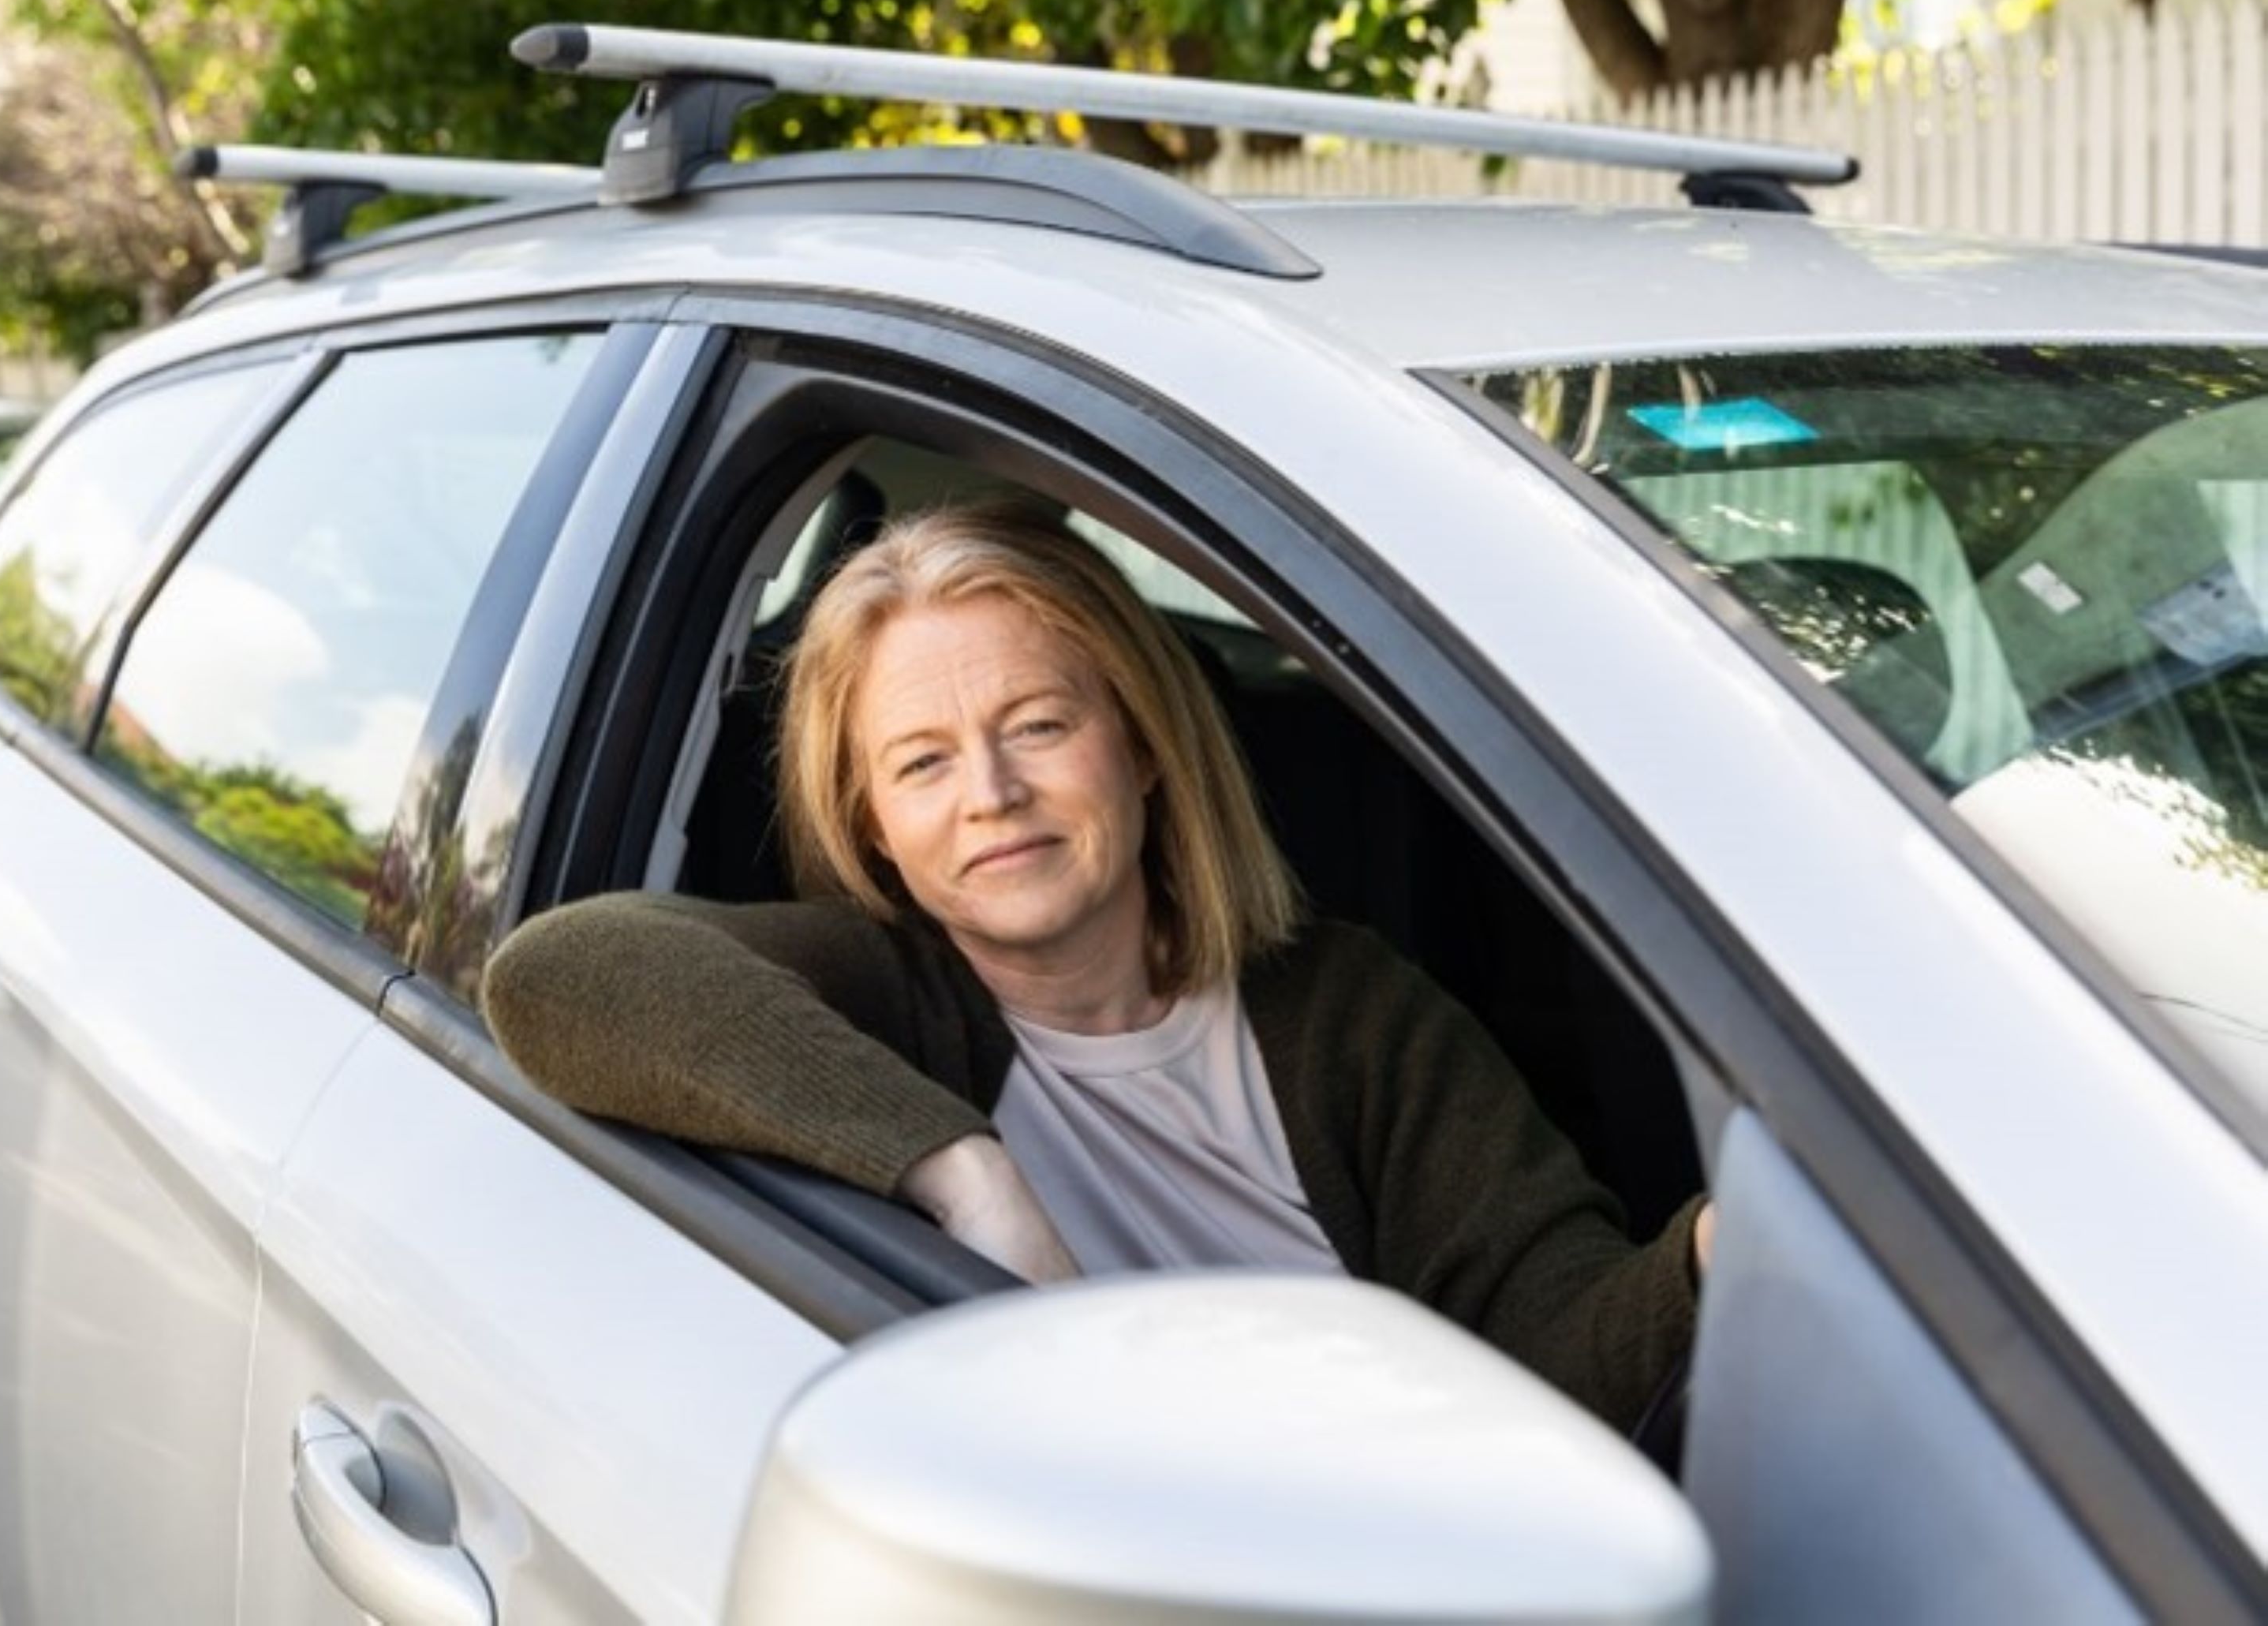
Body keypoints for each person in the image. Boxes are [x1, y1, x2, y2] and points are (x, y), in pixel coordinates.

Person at [484, 501, 1709, 1429]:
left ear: (1144, 746)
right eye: (923, 763)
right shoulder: (877, 993)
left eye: (1039, 726)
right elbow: (563, 969)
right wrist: (969, 1178)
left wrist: (1718, 1255)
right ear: (871, 825)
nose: (994, 795)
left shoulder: (1350, 1011)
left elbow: (1554, 1350)